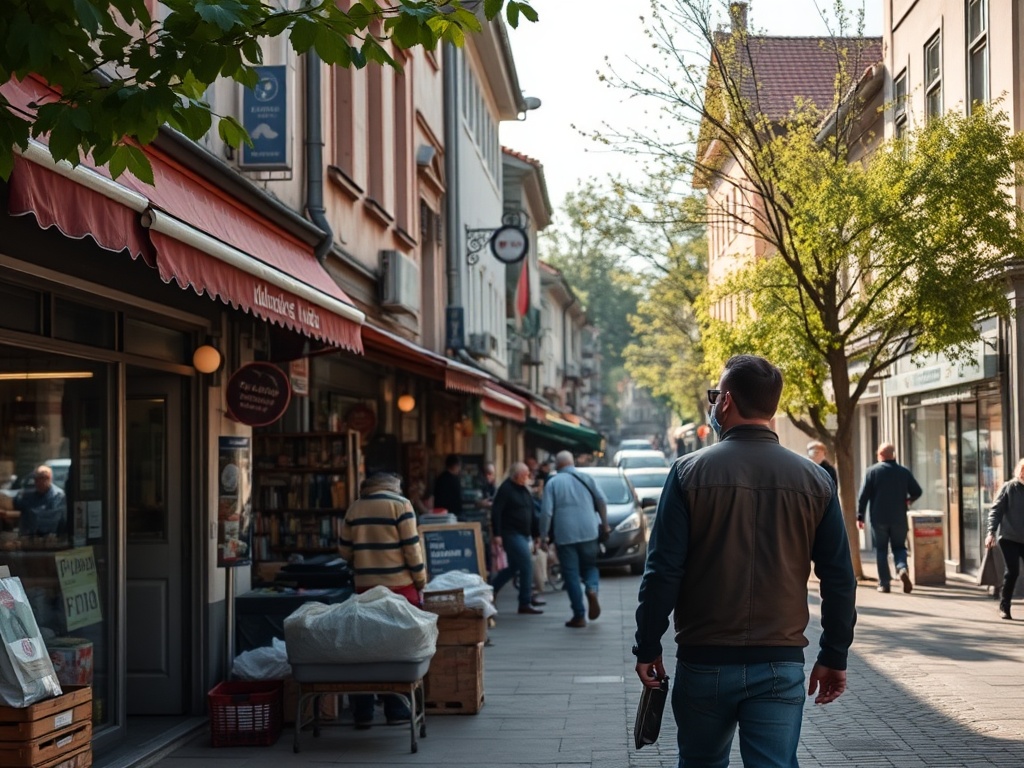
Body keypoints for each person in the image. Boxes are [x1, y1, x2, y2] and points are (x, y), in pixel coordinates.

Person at [634, 355, 856, 768]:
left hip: (704, 659)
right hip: (780, 661)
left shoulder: (687, 473)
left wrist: (647, 644)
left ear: (726, 402)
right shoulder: (816, 480)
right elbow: (839, 579)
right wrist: (834, 654)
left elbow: (663, 571)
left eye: (715, 395)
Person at [338, 473, 426, 728]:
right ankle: (395, 708)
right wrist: (420, 580)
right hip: (400, 588)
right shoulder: (401, 505)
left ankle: (363, 711)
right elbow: (412, 548)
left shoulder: (355, 507)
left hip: (366, 588)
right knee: (397, 648)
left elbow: (344, 551)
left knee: (366, 648)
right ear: (393, 486)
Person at [539, 450, 609, 628]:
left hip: (565, 535)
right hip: (589, 531)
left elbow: (546, 513)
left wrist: (544, 536)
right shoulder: (587, 478)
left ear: (558, 465)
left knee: (571, 574)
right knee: (590, 567)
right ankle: (592, 589)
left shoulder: (552, 482)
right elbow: (601, 500)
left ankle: (579, 615)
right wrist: (605, 524)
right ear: (572, 463)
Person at [857, 442, 922, 593]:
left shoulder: (871, 472)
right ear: (894, 455)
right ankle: (902, 568)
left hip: (878, 518)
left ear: (880, 455)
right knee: (899, 547)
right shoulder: (903, 472)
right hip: (899, 517)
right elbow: (917, 491)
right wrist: (908, 500)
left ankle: (884, 584)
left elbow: (863, 497)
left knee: (881, 550)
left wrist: (860, 516)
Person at [489, 463, 544, 614]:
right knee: (526, 564)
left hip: (524, 533)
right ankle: (524, 602)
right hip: (511, 533)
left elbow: (531, 512)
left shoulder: (524, 489)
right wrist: (498, 534)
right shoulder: (506, 489)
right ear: (516, 475)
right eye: (525, 475)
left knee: (513, 567)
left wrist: (536, 534)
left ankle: (491, 590)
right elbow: (497, 512)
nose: (528, 477)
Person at [986, 458, 1024, 620]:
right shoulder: (1009, 487)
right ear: (1019, 471)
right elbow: (996, 510)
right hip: (1009, 538)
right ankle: (1005, 605)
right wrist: (991, 532)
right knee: (1013, 571)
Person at [14, 465, 67, 537]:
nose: (38, 482)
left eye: (43, 478)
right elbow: (19, 506)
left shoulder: (58, 496)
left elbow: (51, 516)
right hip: (29, 538)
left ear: (49, 479)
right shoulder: (29, 494)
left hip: (50, 537)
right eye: (36, 479)